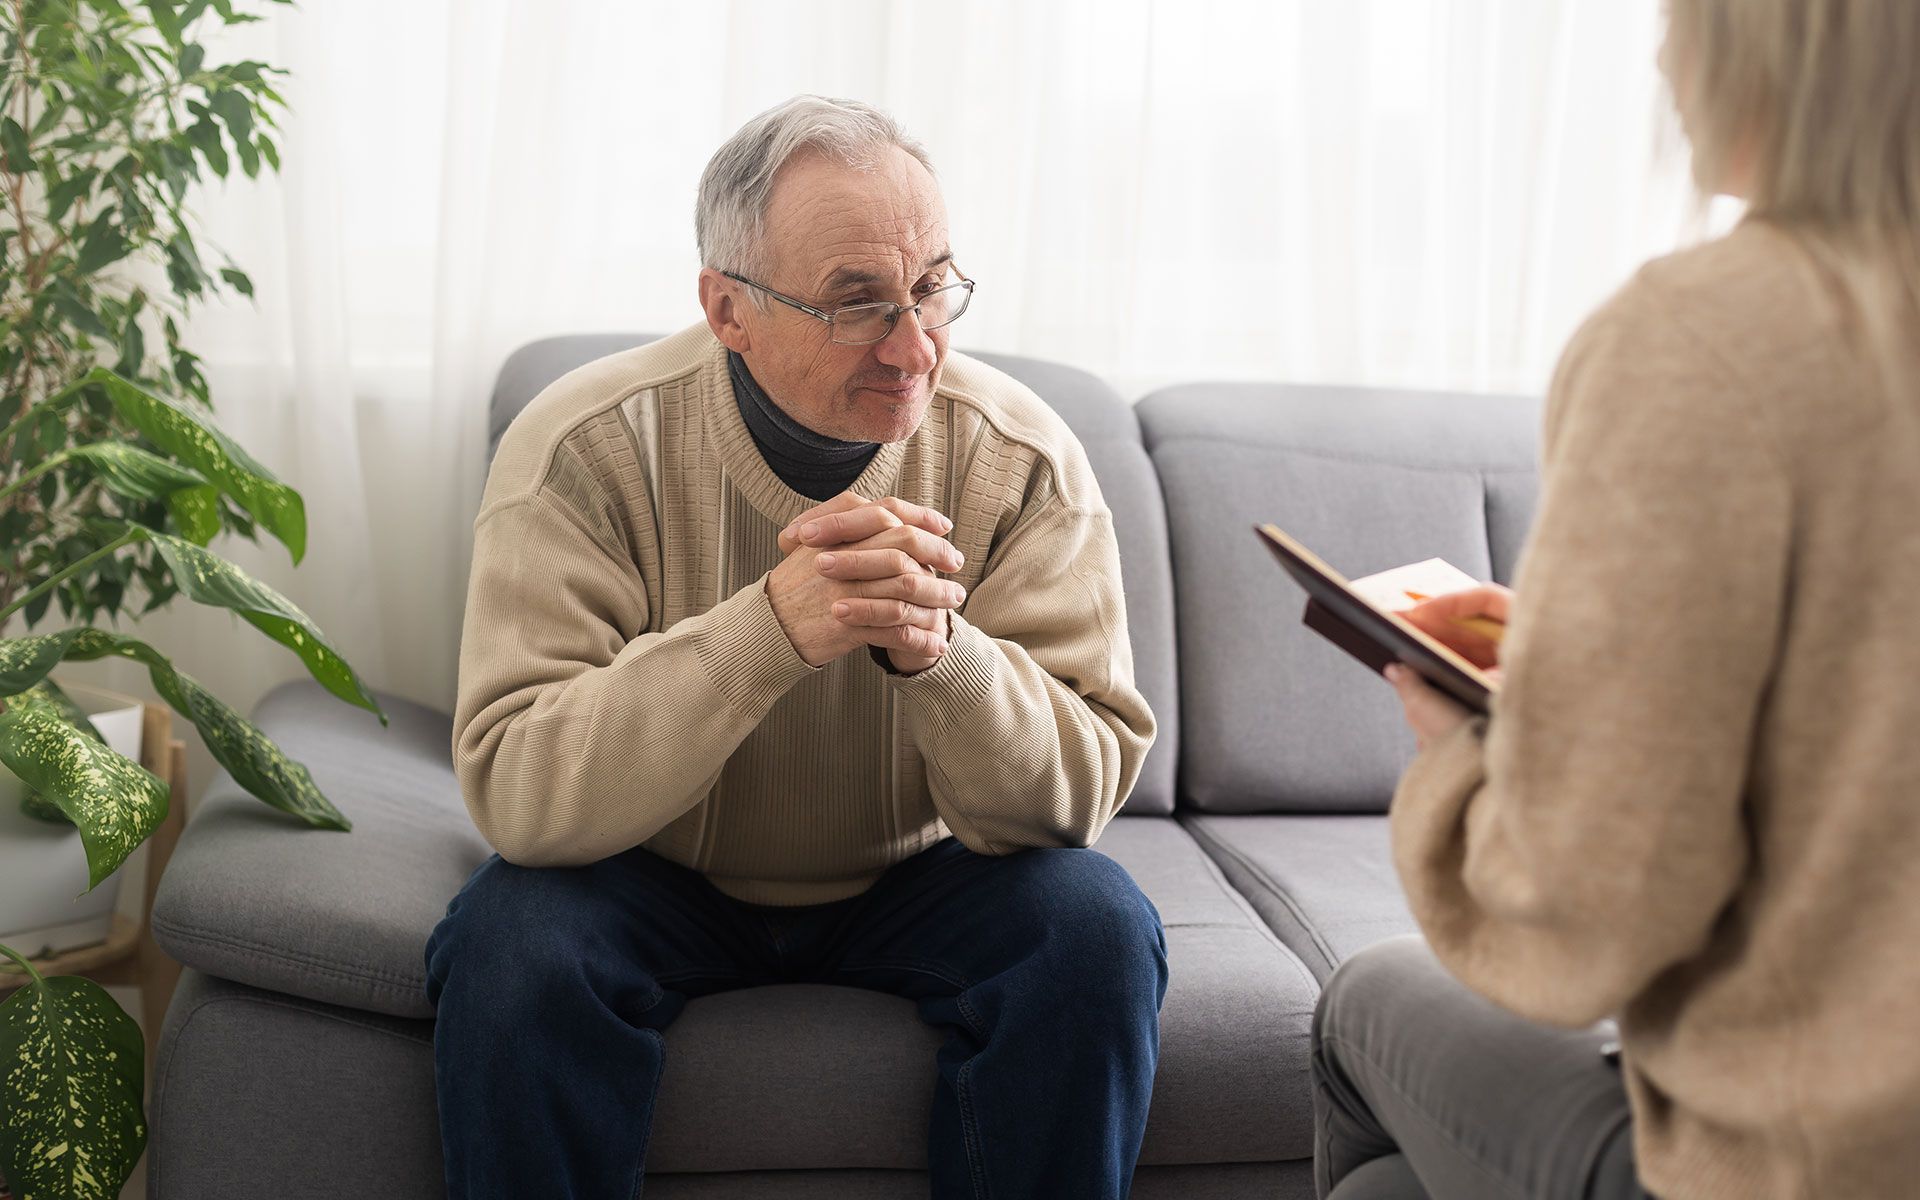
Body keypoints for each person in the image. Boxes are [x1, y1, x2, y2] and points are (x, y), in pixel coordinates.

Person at [423, 95, 1164, 1199]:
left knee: (1097, 928)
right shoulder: (579, 446)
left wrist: (939, 651)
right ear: (728, 310)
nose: (915, 347)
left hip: (924, 874)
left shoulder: (1023, 459)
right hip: (650, 871)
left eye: (931, 288)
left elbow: (1075, 802)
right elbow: (520, 792)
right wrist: (768, 631)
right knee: (510, 948)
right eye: (858, 303)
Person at [1311, 1, 1920, 1197]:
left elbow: (1586, 911)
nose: (1659, 58)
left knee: (1363, 1004)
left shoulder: (1703, 337)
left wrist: (1467, 751)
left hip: (1807, 1159)